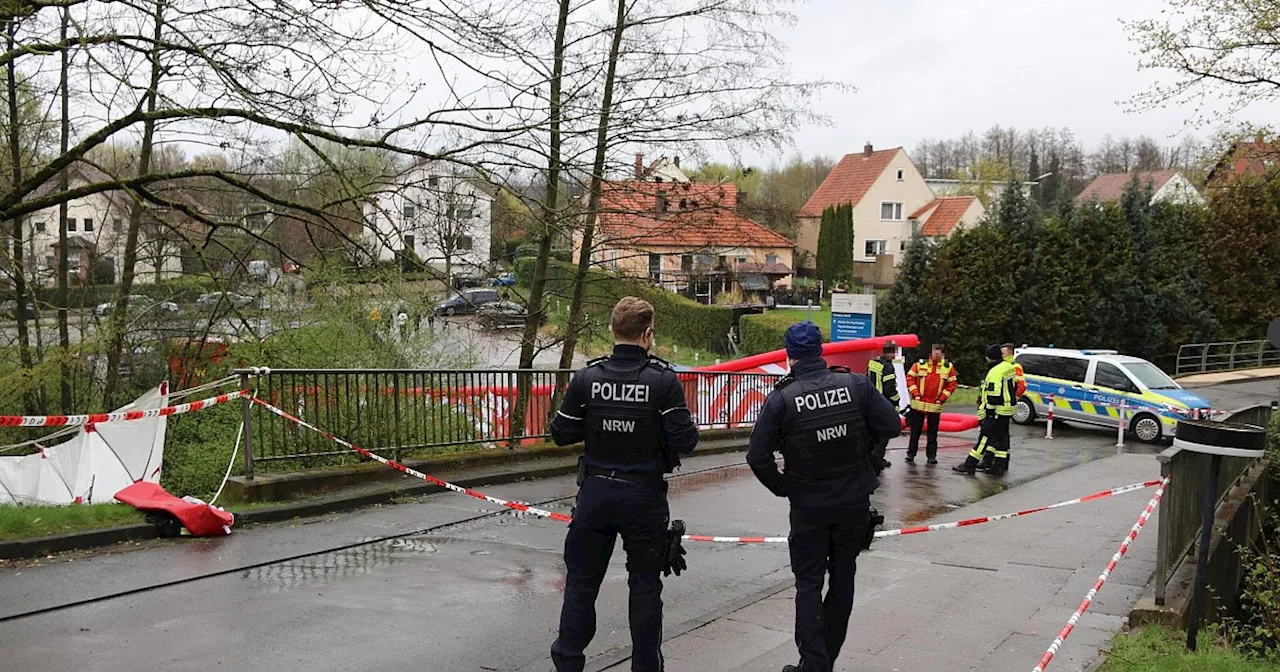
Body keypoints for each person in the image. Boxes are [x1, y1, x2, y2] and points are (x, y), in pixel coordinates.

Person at [548, 296, 699, 672]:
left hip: (596, 493)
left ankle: (568, 664)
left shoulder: (588, 378)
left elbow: (561, 433)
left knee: (581, 585)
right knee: (645, 587)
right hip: (644, 496)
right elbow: (686, 441)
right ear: (647, 334)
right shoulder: (662, 381)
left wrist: (597, 421)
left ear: (613, 331)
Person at [746, 321, 902, 672]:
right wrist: (871, 456)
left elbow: (757, 456)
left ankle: (813, 664)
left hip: (808, 507)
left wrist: (784, 487)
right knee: (844, 577)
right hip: (853, 502)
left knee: (809, 584)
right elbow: (891, 425)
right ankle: (823, 661)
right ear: (821, 350)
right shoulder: (855, 385)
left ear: (789, 357)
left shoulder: (783, 399)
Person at [953, 344, 1018, 476]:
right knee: (1001, 439)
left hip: (997, 410)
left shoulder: (995, 371)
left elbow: (994, 395)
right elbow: (1015, 386)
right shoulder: (1009, 367)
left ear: (989, 358)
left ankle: (970, 464)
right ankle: (999, 466)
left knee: (985, 438)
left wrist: (989, 412)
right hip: (1008, 408)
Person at [904, 343, 957, 465]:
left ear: (943, 354)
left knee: (932, 434)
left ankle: (931, 456)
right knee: (915, 432)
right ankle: (911, 454)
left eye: (939, 352)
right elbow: (910, 378)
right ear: (931, 352)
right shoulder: (920, 364)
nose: (936, 354)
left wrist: (942, 398)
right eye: (934, 351)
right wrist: (916, 393)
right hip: (918, 404)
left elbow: (952, 384)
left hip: (935, 405)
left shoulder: (948, 367)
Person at [865, 340, 900, 472]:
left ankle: (870, 458)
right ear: (892, 353)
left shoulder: (873, 362)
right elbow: (890, 389)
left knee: (872, 433)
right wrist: (897, 402)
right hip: (883, 404)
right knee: (883, 436)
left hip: (870, 402)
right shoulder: (888, 367)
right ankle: (877, 461)